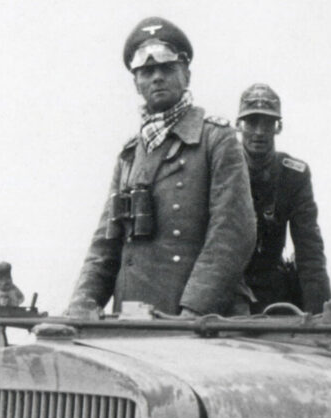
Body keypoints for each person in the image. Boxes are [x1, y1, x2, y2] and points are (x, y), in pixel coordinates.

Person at [69, 17, 256, 317]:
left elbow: (232, 234)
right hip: (134, 314)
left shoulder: (217, 139)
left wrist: (194, 311)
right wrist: (79, 307)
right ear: (136, 83)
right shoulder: (129, 154)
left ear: (186, 75)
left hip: (203, 319)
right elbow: (105, 245)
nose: (157, 77)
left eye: (167, 68)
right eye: (146, 71)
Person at [236, 83, 331, 314]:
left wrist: (319, 314)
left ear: (278, 127)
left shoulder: (293, 175)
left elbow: (309, 249)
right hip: (226, 287)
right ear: (239, 126)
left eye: (267, 123)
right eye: (252, 122)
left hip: (271, 291)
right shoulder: (220, 167)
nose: (259, 131)